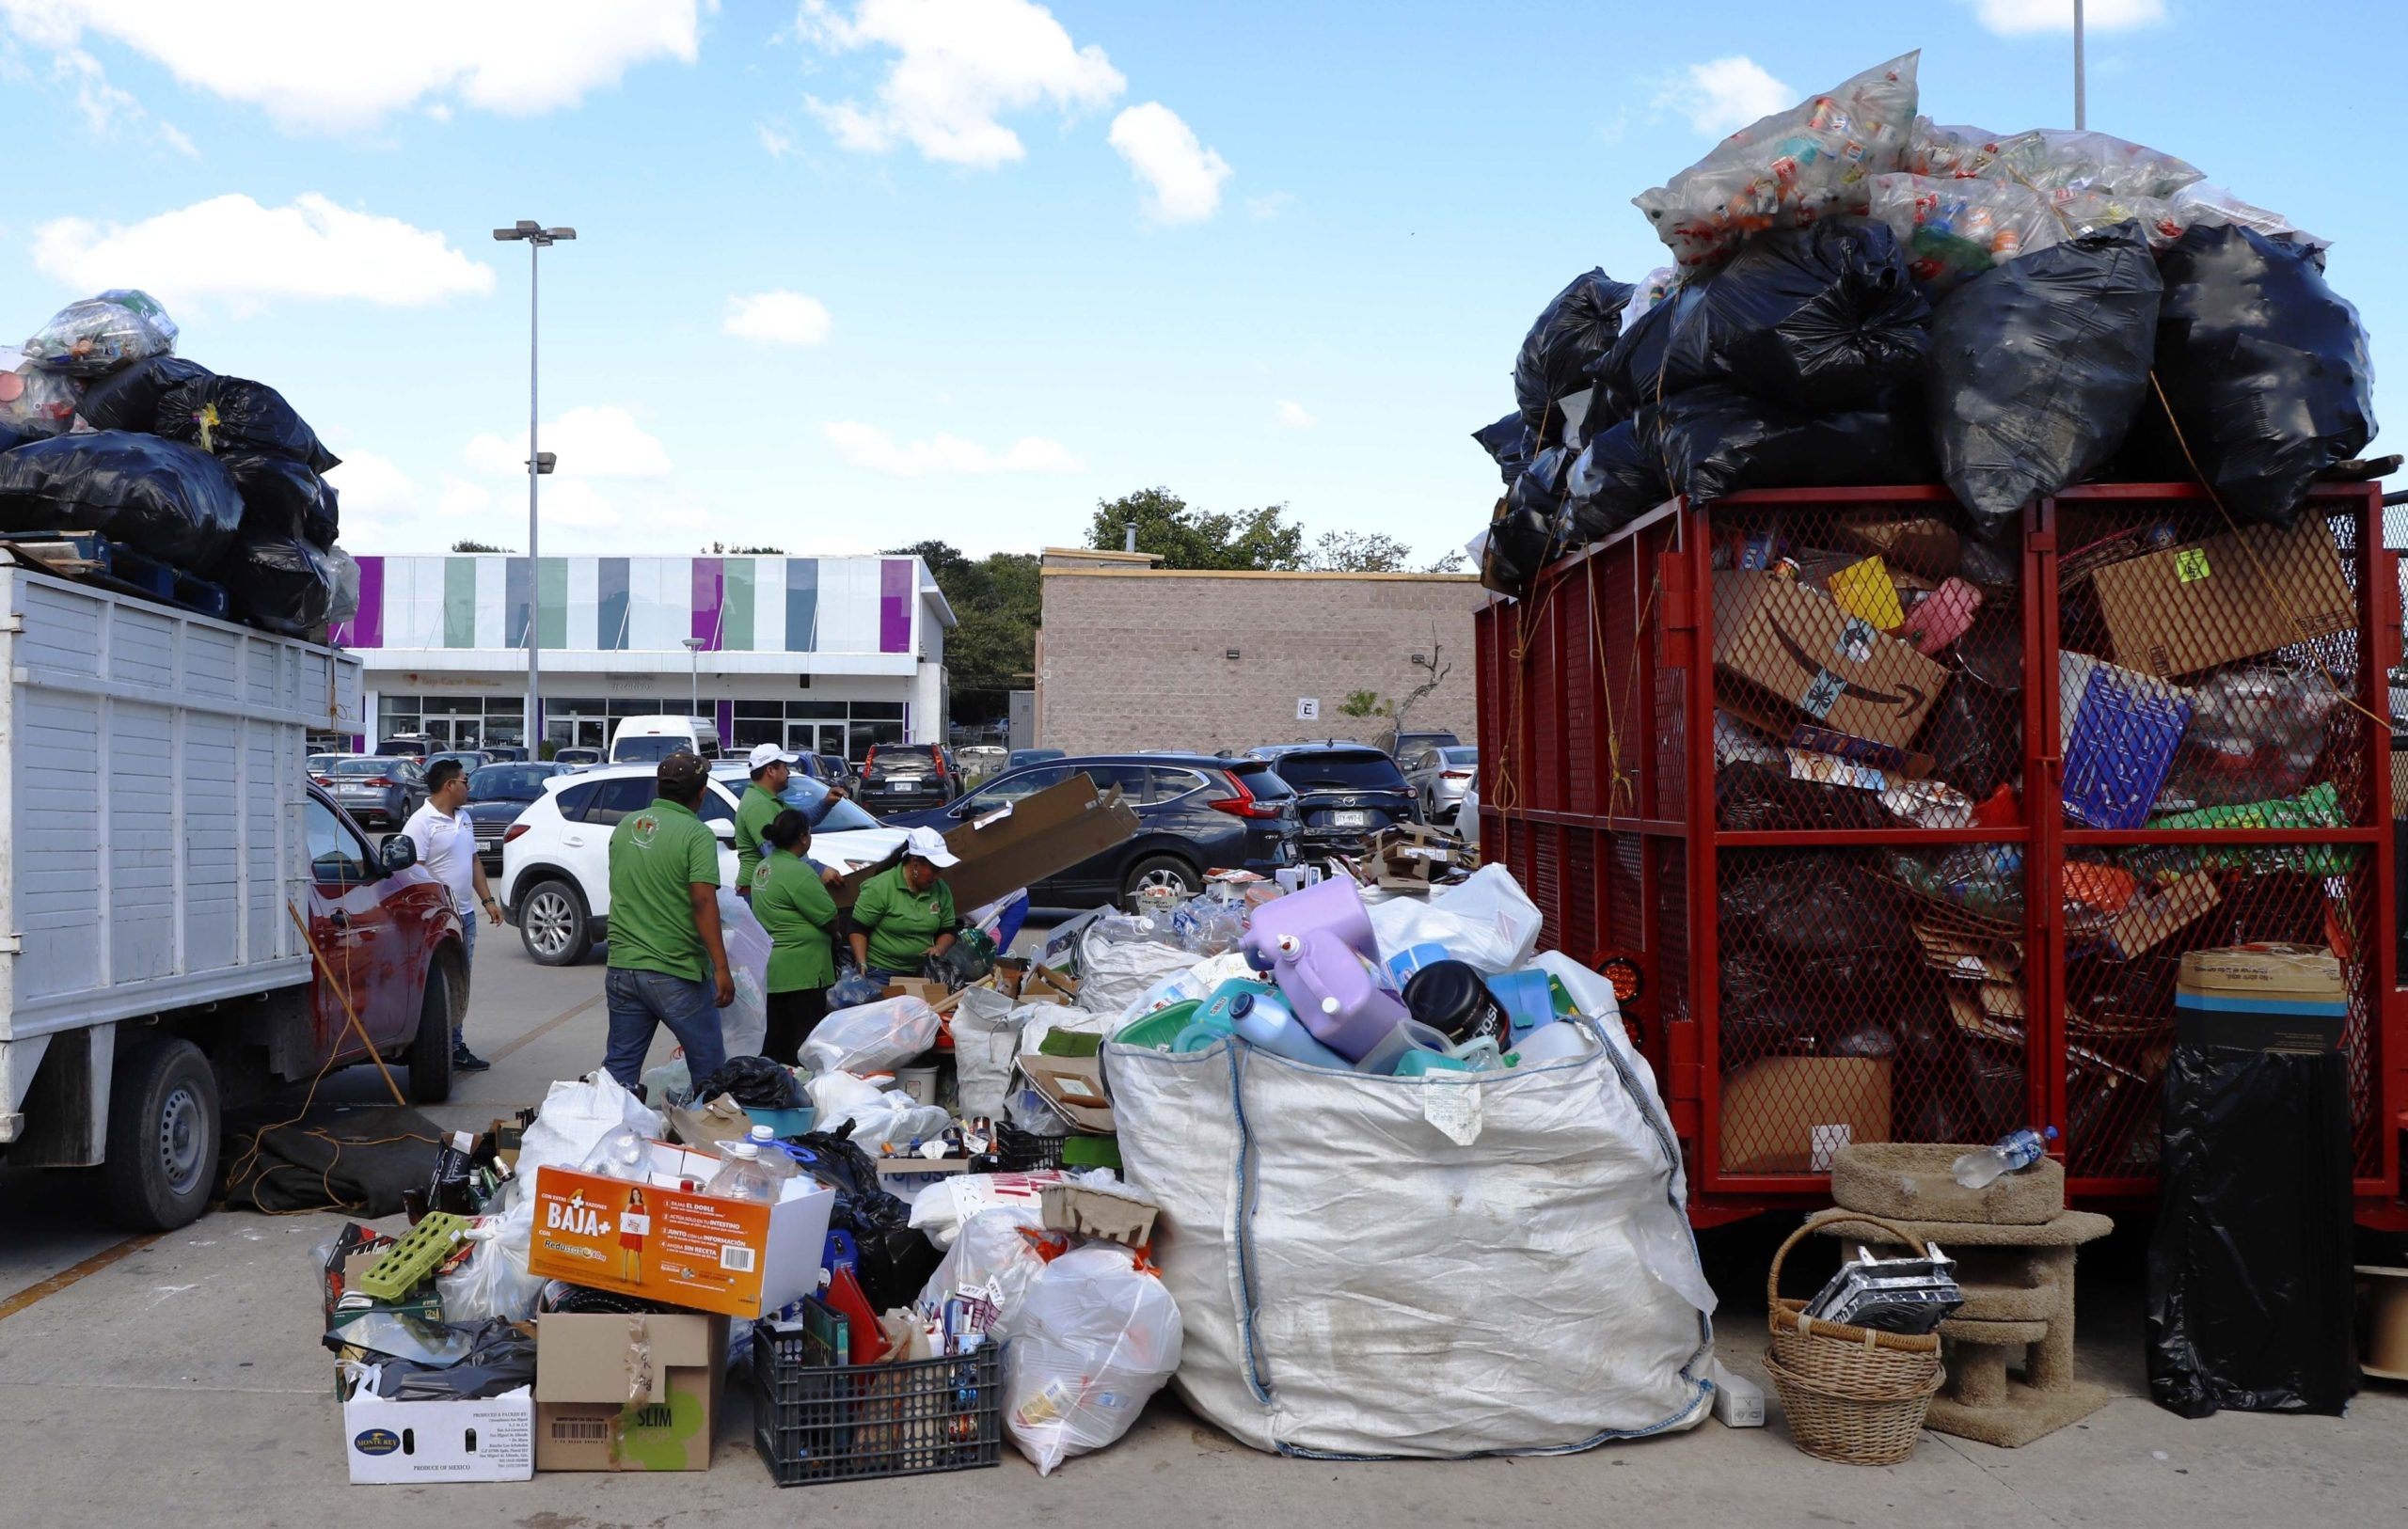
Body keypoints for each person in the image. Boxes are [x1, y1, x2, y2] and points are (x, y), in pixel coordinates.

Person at [601, 750, 733, 1090]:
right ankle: (708, 1137)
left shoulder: (625, 826)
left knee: (619, 1072)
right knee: (709, 1069)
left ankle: (608, 1134)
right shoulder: (696, 834)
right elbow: (703, 901)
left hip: (623, 967)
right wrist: (721, 967)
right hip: (675, 971)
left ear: (659, 788)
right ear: (701, 792)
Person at [402, 756, 502, 1072]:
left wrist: (487, 900)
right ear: (449, 785)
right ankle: (437, 1046)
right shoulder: (421, 823)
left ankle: (455, 1046)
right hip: (437, 922)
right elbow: (411, 868)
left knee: (459, 984)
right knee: (439, 987)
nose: (468, 787)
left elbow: (473, 862)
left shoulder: (464, 818)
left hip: (466, 917)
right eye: (464, 781)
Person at [751, 810, 839, 1065]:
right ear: (803, 838)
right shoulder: (798, 872)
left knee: (777, 1040)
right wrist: (836, 934)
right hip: (803, 969)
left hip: (775, 967)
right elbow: (828, 915)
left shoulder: (763, 867)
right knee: (802, 1042)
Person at [735, 741, 851, 893]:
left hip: (766, 888)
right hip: (758, 891)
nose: (788, 772)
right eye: (785, 767)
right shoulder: (758, 805)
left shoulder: (768, 799)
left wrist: (826, 803)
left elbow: (800, 821)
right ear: (770, 770)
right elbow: (778, 853)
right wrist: (819, 870)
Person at [849, 825, 960, 980]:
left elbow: (948, 930)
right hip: (881, 971)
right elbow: (858, 928)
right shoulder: (881, 886)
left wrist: (940, 948)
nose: (937, 876)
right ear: (915, 862)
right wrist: (862, 963)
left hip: (922, 970)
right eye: (934, 870)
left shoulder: (941, 890)